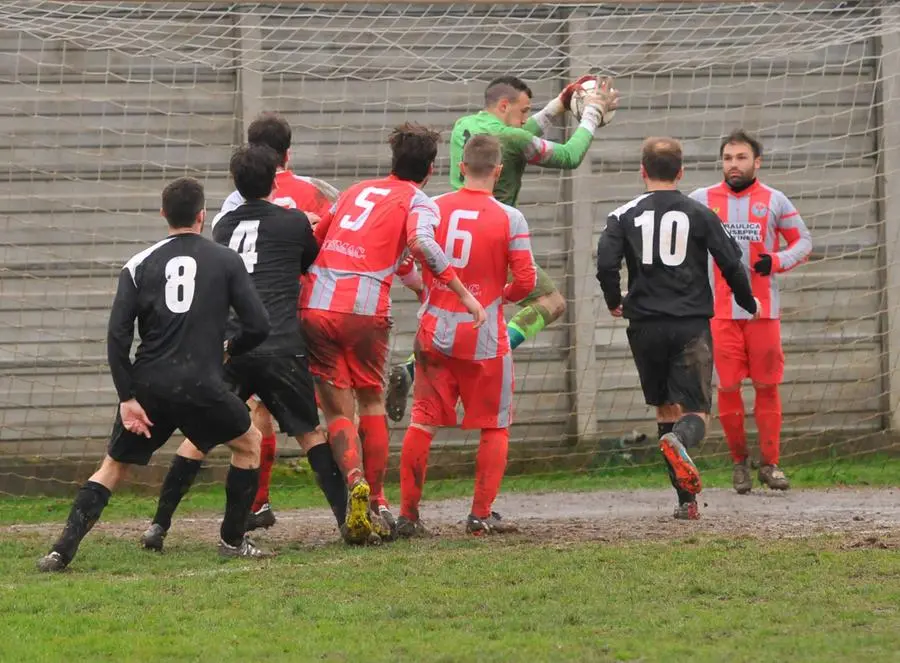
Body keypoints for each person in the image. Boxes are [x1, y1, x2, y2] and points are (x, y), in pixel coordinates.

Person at [37, 177, 272, 572]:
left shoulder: (138, 264)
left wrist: (127, 397)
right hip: (202, 384)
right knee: (249, 442)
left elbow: (117, 335)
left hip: (149, 387)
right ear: (202, 216)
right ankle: (232, 541)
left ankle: (61, 550)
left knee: (112, 466)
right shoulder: (226, 260)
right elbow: (260, 325)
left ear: (163, 214)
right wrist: (230, 349)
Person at [139, 144, 354, 551]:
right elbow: (308, 260)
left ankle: (159, 525)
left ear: (235, 184)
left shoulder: (222, 226)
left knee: (199, 438)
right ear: (276, 180)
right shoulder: (293, 222)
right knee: (310, 434)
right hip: (279, 343)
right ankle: (347, 523)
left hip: (233, 345)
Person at [386, 74, 620, 422]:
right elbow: (569, 155)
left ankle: (410, 369)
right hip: (491, 239)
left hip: (448, 239)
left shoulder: (466, 125)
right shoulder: (511, 136)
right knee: (550, 302)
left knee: (449, 318)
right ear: (504, 106)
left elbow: (518, 138)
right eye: (524, 111)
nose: (528, 118)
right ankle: (492, 351)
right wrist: (592, 114)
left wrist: (560, 103)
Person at [300, 122, 487, 542]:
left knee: (334, 410)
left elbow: (316, 238)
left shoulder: (353, 192)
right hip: (365, 309)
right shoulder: (419, 201)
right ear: (432, 168)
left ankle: (354, 486)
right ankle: (380, 500)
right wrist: (460, 293)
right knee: (370, 399)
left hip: (316, 304)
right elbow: (420, 243)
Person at [596, 137, 759, 520]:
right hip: (689, 325)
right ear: (681, 171)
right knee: (696, 412)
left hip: (644, 326)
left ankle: (685, 503)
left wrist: (613, 301)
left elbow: (605, 264)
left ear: (642, 171)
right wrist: (747, 301)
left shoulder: (622, 214)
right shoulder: (698, 213)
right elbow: (730, 262)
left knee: (664, 409)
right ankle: (680, 441)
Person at [396, 134, 537, 536]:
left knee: (423, 421)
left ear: (461, 167)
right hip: (484, 335)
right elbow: (526, 281)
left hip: (433, 329)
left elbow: (403, 263)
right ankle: (479, 514)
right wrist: (499, 297)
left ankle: (408, 515)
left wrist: (425, 290)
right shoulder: (510, 217)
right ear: (498, 170)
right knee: (494, 425)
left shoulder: (431, 208)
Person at [690, 130, 812, 494]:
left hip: (763, 314)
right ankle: (739, 463)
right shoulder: (701, 199)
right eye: (728, 158)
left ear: (756, 162)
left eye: (741, 158)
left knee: (767, 387)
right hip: (720, 314)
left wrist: (774, 261)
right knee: (727, 389)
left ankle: (771, 464)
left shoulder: (775, 200)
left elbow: (803, 241)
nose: (734, 165)